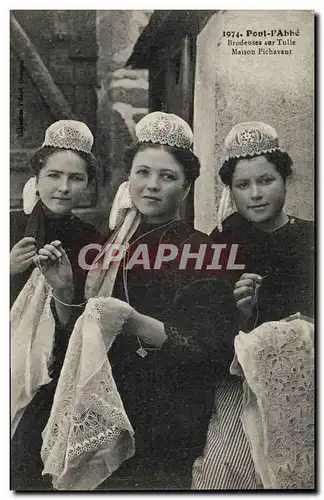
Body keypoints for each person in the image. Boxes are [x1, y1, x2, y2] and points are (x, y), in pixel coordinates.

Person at [34, 112, 239, 490]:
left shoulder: (199, 248)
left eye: (167, 176)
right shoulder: (109, 241)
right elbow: (76, 339)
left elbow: (212, 350)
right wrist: (64, 296)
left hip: (165, 415)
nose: (152, 186)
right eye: (142, 173)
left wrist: (134, 322)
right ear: (128, 178)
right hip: (103, 404)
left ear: (187, 187)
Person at [192, 122, 314, 489]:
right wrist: (239, 314)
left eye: (266, 180)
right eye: (243, 186)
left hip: (307, 379)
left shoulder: (311, 237)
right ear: (230, 190)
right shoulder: (219, 244)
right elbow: (204, 334)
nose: (256, 194)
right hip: (238, 380)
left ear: (286, 179)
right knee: (223, 472)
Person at [11, 120, 101, 490]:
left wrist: (63, 288)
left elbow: (80, 319)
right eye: (54, 175)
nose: (63, 188)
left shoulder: (90, 239)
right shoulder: (10, 226)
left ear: (87, 185)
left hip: (54, 368)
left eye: (75, 179)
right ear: (37, 175)